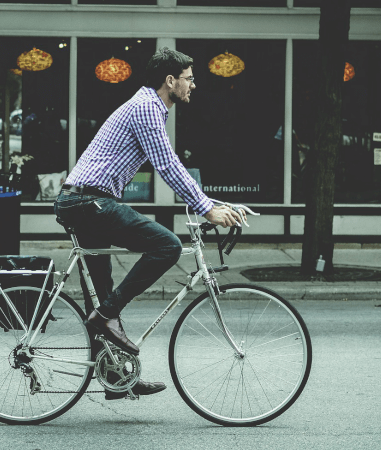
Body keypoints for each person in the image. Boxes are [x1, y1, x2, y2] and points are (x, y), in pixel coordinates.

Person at [54, 47, 242, 400]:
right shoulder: (146, 109)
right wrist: (206, 209)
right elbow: (168, 165)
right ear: (170, 81)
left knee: (104, 293)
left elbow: (169, 166)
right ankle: (106, 318)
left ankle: (114, 375)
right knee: (167, 245)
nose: (194, 85)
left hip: (85, 201)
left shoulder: (149, 107)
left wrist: (215, 204)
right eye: (189, 78)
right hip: (88, 202)